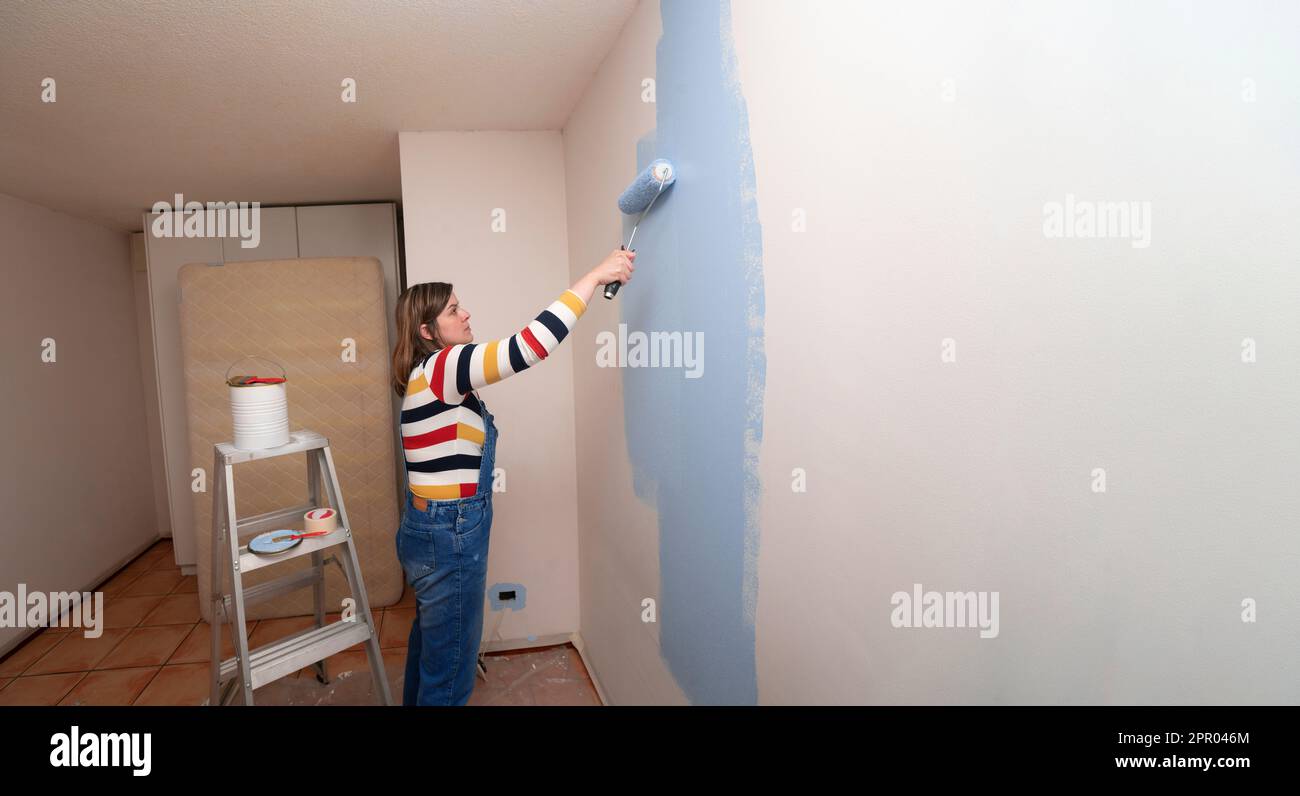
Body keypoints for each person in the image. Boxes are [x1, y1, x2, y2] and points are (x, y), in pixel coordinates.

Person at [388, 247, 635, 705]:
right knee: (450, 675)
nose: (466, 314)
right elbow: (530, 346)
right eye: (453, 310)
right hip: (449, 534)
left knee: (432, 651)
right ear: (427, 331)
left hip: (428, 530)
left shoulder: (428, 378)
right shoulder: (444, 366)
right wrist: (596, 276)